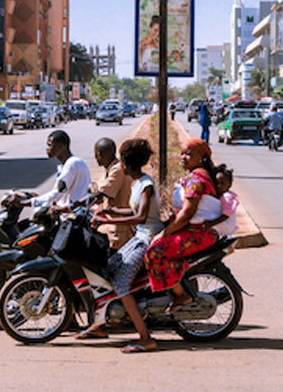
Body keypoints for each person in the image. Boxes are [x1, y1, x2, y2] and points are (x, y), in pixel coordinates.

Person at [78, 138, 162, 353]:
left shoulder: (146, 184)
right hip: (138, 238)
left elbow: (141, 217)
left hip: (147, 239)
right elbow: (133, 211)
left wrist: (109, 220)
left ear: (124, 164)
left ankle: (145, 337)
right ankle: (101, 322)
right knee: (109, 267)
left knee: (121, 284)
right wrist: (110, 212)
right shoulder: (137, 183)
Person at [145, 138, 222, 312]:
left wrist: (164, 233)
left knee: (155, 251)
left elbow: (187, 214)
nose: (183, 157)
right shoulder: (195, 175)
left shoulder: (197, 179)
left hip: (198, 233)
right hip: (194, 230)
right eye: (182, 153)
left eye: (188, 154)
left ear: (202, 157)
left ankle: (181, 295)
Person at [17, 130, 92, 210]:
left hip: (71, 213)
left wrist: (24, 203)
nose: (47, 149)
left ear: (61, 146)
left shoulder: (71, 164)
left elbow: (56, 194)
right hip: (68, 209)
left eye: (50, 145)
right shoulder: (68, 164)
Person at [93, 137, 134, 249]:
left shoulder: (117, 170)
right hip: (111, 221)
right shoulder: (111, 169)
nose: (96, 157)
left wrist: (80, 201)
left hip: (118, 227)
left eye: (98, 154)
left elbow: (102, 192)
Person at [205, 165, 239, 238]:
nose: (219, 186)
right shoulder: (222, 195)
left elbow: (226, 215)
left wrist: (211, 224)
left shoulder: (226, 197)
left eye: (222, 183)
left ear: (229, 184)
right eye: (217, 183)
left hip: (227, 226)